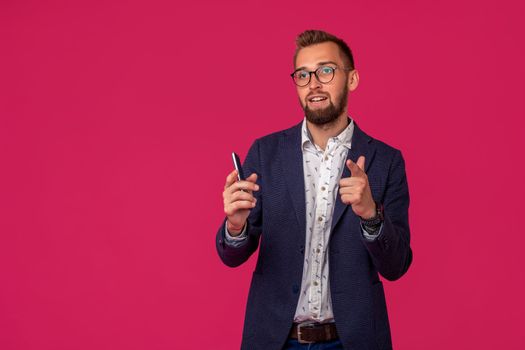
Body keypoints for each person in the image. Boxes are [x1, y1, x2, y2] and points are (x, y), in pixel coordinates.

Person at [216, 29, 413, 350]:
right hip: (275, 339)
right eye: (303, 75)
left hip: (355, 340)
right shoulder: (266, 153)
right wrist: (236, 226)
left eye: (326, 71)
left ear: (352, 79)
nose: (314, 84)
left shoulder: (386, 160)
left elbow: (397, 266)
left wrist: (371, 216)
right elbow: (231, 257)